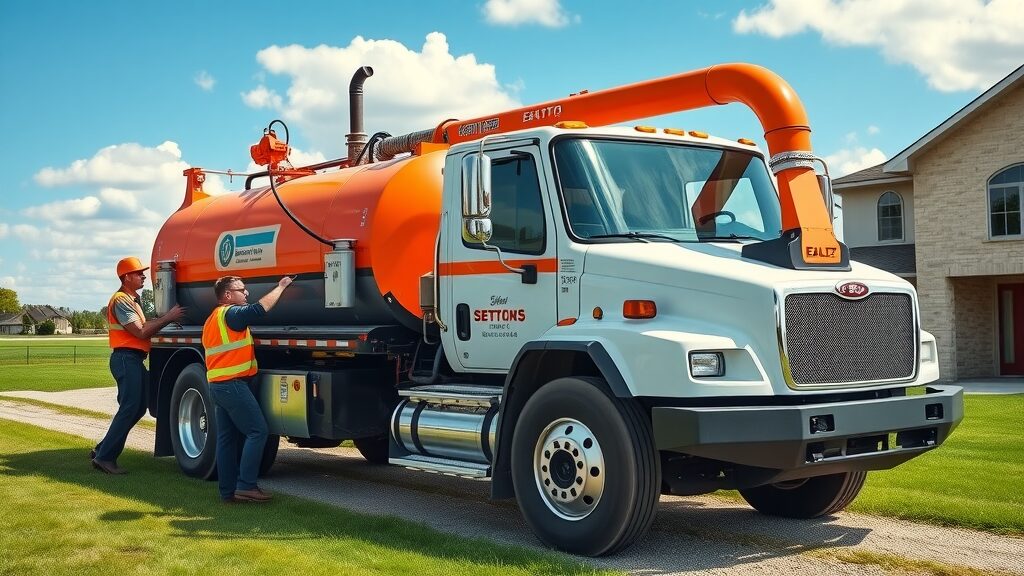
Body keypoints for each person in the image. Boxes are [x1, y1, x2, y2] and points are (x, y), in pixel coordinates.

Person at [203, 275, 292, 503]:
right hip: (233, 385)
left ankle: (227, 492)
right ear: (227, 295)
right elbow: (259, 309)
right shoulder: (232, 314)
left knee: (226, 439)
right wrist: (281, 286)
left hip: (218, 385)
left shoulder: (213, 318)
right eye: (241, 290)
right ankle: (246, 485)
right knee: (258, 431)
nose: (246, 293)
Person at [93, 257, 185, 474]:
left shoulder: (133, 300)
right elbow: (141, 331)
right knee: (130, 408)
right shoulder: (121, 300)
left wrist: (163, 320)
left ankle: (101, 449)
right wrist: (169, 317)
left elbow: (144, 325)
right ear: (126, 277)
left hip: (132, 359)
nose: (144, 276)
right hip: (126, 359)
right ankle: (105, 457)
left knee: (137, 407)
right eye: (139, 273)